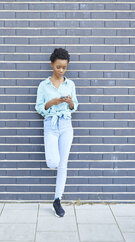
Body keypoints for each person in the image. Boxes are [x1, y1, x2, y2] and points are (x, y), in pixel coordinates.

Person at [35, 48, 79, 218]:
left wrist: (69, 103)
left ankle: (57, 199)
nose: (61, 71)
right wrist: (51, 103)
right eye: (58, 67)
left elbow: (75, 106)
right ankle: (57, 197)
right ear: (52, 64)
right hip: (51, 125)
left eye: (64, 68)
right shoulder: (43, 85)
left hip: (66, 125)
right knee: (53, 161)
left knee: (63, 165)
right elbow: (39, 107)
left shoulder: (70, 84)